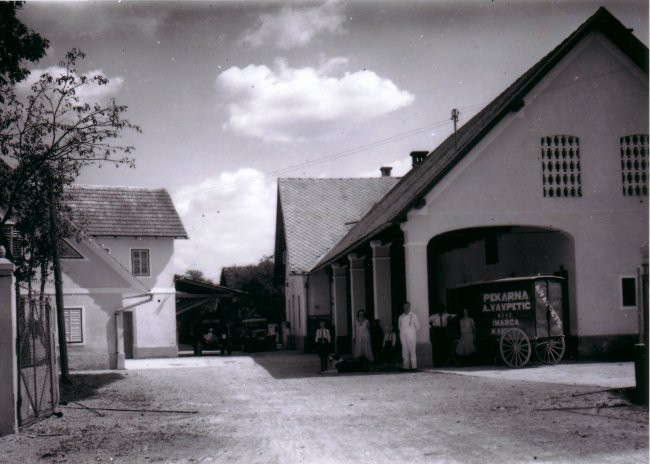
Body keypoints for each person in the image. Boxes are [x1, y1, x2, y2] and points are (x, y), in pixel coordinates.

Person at [398, 301, 420, 370]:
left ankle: (414, 367)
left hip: (411, 335)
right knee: (404, 351)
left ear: (409, 307)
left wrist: (412, 332)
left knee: (412, 351)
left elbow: (418, 326)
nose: (406, 308)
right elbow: (399, 327)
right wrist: (404, 332)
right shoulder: (401, 317)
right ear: (403, 307)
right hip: (403, 335)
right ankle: (406, 367)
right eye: (404, 306)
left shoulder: (413, 316)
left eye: (407, 306)